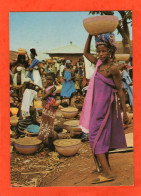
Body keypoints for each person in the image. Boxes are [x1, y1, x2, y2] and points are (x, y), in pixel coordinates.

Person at [79, 33, 129, 184]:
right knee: (101, 136)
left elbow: (120, 90)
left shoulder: (113, 69)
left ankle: (107, 173)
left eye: (104, 51)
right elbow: (86, 53)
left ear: (110, 51)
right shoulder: (98, 63)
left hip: (105, 108)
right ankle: (103, 167)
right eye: (99, 51)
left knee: (96, 136)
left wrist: (124, 112)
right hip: (96, 107)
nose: (100, 54)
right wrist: (89, 34)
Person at [38, 72, 58, 150]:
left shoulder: (53, 88)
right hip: (47, 107)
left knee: (49, 125)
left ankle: (50, 146)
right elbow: (43, 96)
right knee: (45, 124)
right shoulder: (47, 87)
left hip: (50, 108)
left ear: (53, 80)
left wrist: (43, 93)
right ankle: (46, 143)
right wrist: (44, 88)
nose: (48, 81)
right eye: (47, 79)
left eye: (50, 79)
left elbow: (43, 97)